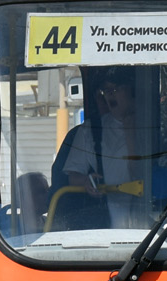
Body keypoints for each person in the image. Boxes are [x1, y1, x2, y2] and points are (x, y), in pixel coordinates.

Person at [62, 69, 151, 228]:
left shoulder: (156, 125)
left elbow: (140, 175)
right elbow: (72, 176)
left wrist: (131, 135)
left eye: (116, 89)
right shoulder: (90, 131)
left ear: (133, 91)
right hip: (109, 227)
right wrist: (87, 181)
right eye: (106, 91)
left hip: (154, 222)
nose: (110, 95)